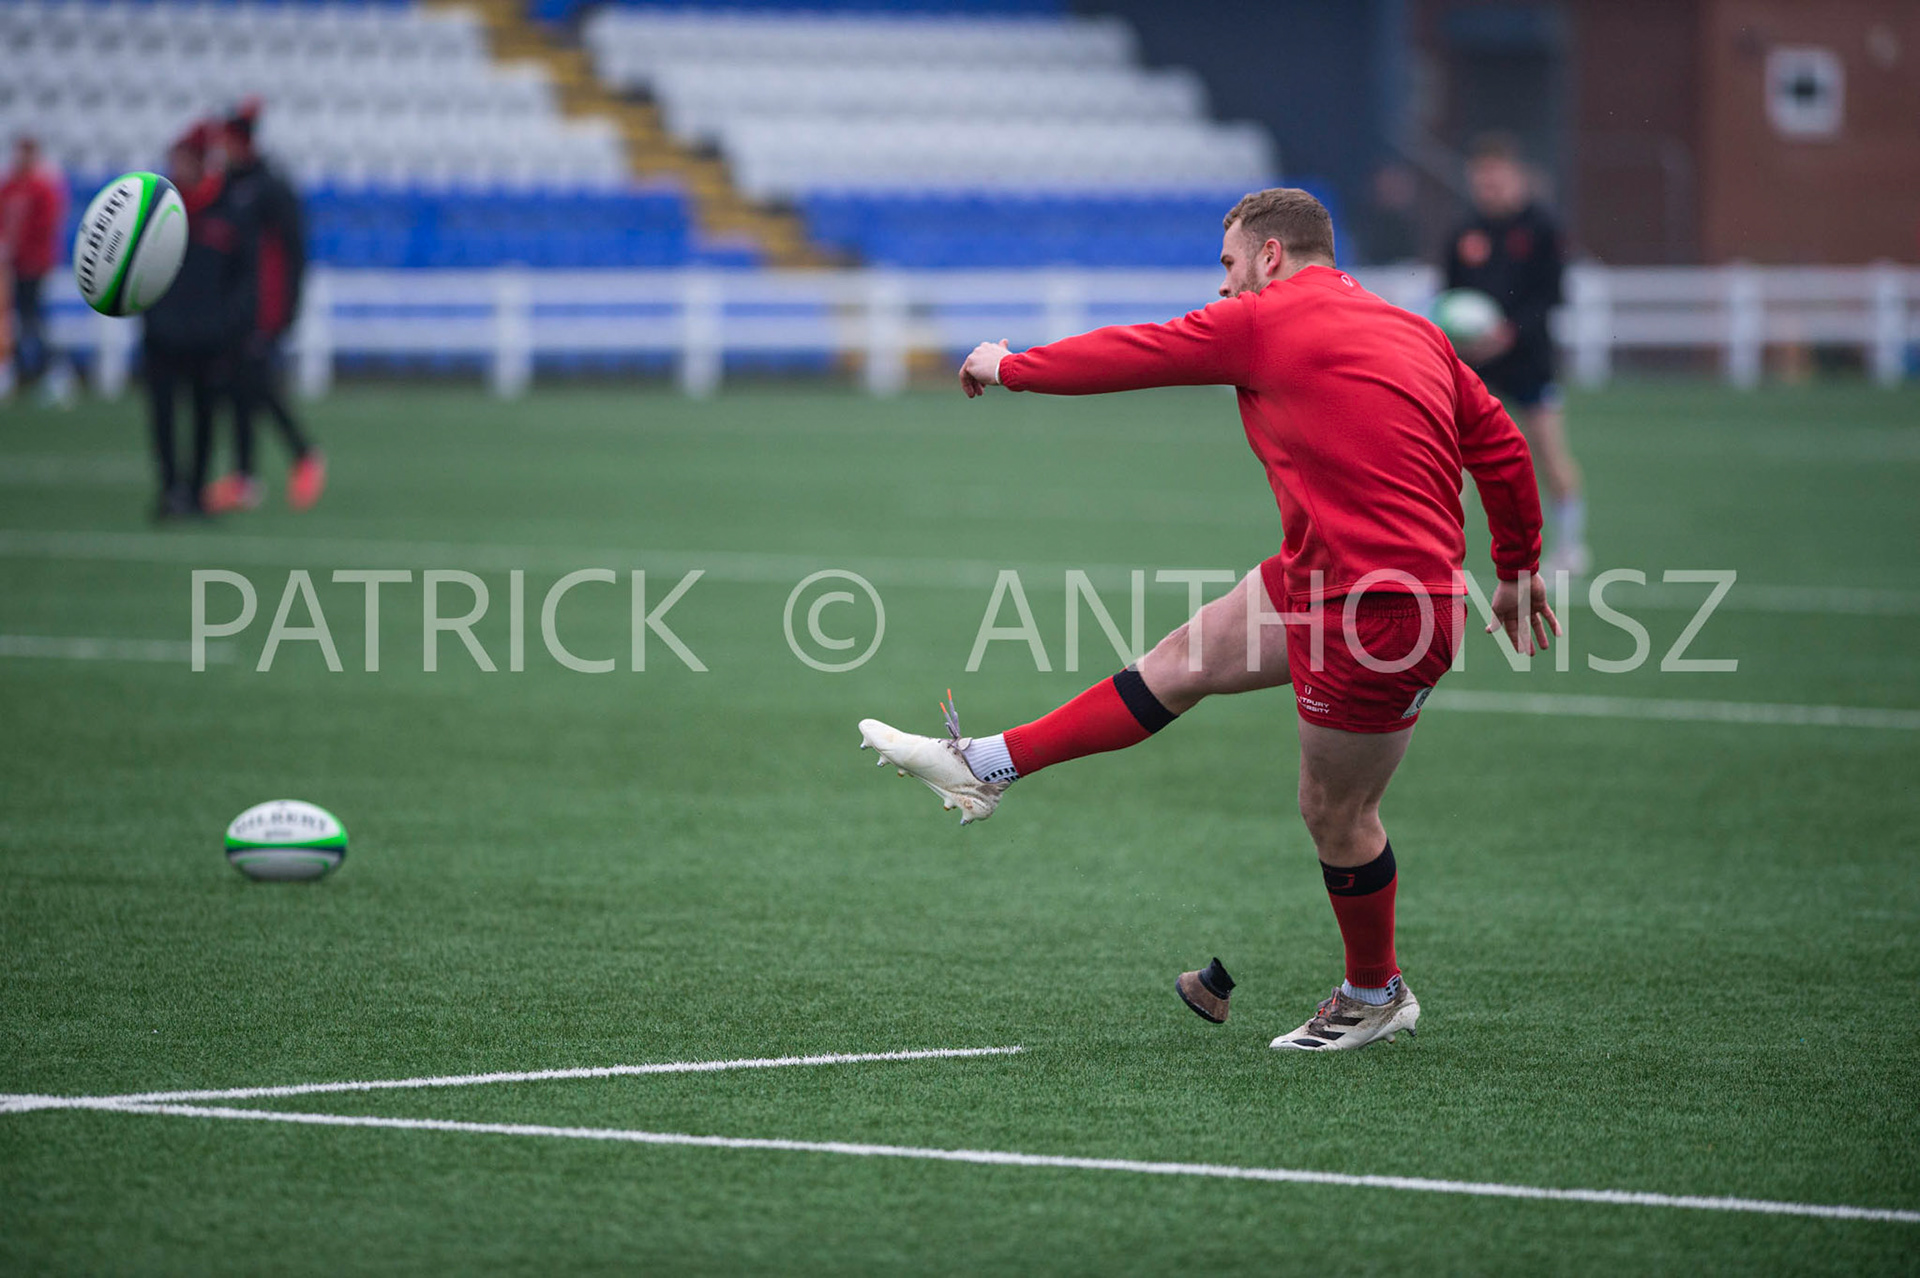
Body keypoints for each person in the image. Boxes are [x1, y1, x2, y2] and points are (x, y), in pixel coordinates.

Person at [858, 188, 1554, 1052]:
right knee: (1184, 661)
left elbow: (1134, 353)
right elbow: (1501, 447)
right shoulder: (1415, 331)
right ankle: (983, 768)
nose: (1223, 287)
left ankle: (1376, 994)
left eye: (1228, 265)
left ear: (1269, 257)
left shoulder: (1265, 318)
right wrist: (1518, 567)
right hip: (1328, 576)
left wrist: (1009, 364)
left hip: (1378, 609)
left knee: (1336, 811)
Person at [1445, 133, 1589, 577]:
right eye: (1481, 180)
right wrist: (1461, 337)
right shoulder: (1463, 232)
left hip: (1528, 357)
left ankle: (1570, 547)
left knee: (1547, 451)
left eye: (1496, 178)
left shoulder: (1544, 228)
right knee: (1456, 458)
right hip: (1477, 360)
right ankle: (1449, 553)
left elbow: (1553, 294)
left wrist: (1509, 332)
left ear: (1515, 176)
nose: (1489, 187)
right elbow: (1449, 296)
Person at [203, 98, 325, 514]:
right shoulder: (228, 186)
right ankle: (246, 476)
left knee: (255, 386)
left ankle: (300, 455)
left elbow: (291, 253)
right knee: (240, 388)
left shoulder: (270, 187)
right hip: (233, 307)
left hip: (263, 310)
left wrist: (285, 311)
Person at [142, 123, 251, 520]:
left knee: (207, 416)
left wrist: (231, 325)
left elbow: (244, 275)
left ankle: (197, 490)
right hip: (164, 333)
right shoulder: (156, 209)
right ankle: (171, 490)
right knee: (164, 418)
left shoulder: (230, 210)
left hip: (209, 337)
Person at [0, 134, 71, 404]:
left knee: (33, 319)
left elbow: (46, 225)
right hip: (11, 265)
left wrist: (19, 247)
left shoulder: (42, 187)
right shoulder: (9, 186)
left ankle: (49, 372)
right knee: (15, 320)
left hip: (33, 264)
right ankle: (20, 372)